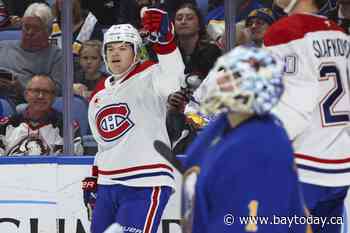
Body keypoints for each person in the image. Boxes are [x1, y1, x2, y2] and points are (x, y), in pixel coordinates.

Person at [179, 46, 309, 233]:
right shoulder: (222, 127)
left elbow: (250, 220)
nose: (222, 79)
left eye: (235, 76)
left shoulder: (260, 141)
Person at [83, 8, 184, 233]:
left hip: (145, 182)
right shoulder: (99, 94)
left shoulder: (151, 75)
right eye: (110, 48)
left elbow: (173, 80)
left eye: (123, 47)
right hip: (108, 185)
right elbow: (104, 145)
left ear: (137, 52)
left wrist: (166, 43)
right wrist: (94, 178)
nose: (115, 53)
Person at [264, 0, 350, 232]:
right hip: (340, 166)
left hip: (302, 166)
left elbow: (289, 107)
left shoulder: (282, 32)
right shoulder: (339, 32)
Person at [0, 74, 83, 156]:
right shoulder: (6, 125)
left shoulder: (68, 127)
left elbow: (72, 163)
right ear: (26, 94)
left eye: (46, 92)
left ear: (54, 97)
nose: (40, 96)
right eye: (36, 91)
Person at [0, 3, 63, 95]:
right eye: (26, 27)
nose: (30, 32)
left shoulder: (56, 57)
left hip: (27, 104)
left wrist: (22, 89)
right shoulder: (3, 47)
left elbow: (57, 92)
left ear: (48, 32)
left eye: (36, 29)